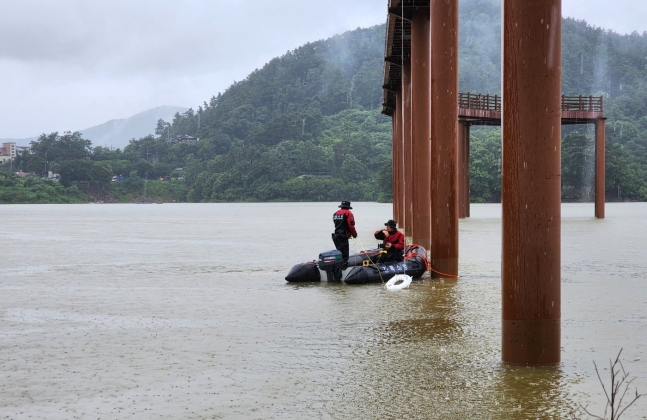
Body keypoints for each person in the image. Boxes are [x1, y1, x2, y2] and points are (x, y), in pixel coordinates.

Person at [332, 200, 357, 268]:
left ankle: (338, 265)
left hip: (336, 236)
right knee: (345, 254)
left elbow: (336, 224)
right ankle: (343, 268)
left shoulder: (335, 213)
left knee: (339, 251)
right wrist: (354, 234)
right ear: (348, 207)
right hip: (343, 236)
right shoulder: (348, 213)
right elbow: (351, 226)